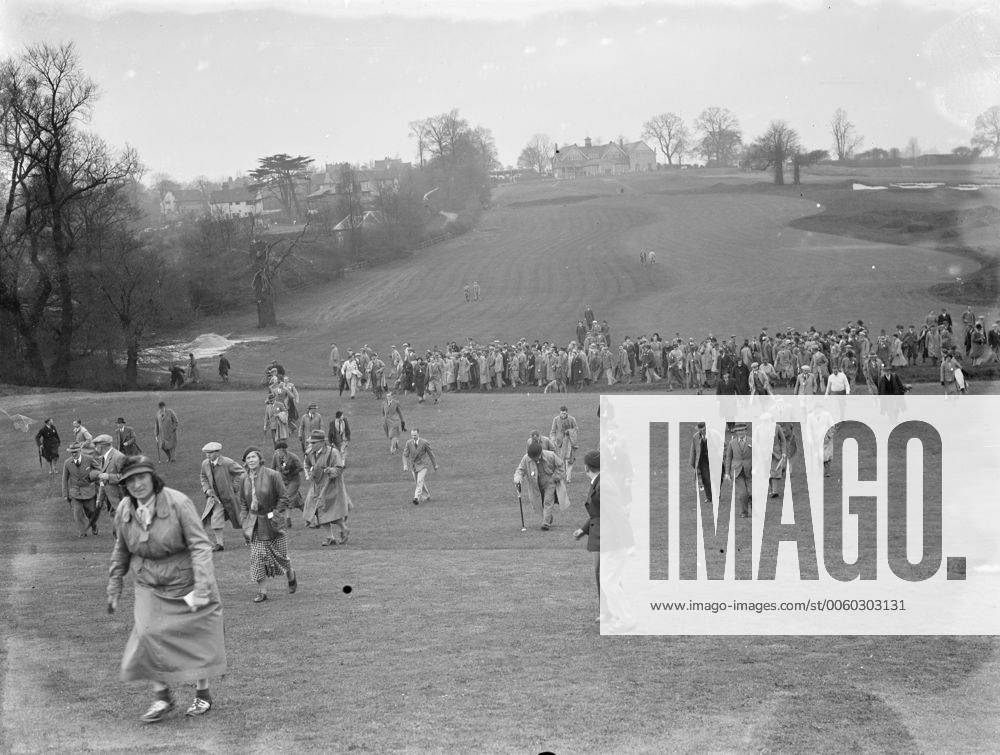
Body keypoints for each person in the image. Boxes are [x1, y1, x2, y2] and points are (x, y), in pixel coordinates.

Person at [106, 455, 226, 722]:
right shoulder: (125, 508)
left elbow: (200, 546)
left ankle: (202, 694)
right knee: (147, 634)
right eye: (130, 481)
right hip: (148, 581)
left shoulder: (178, 502)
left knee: (194, 637)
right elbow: (121, 549)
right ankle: (162, 697)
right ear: (124, 485)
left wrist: (203, 589)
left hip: (184, 580)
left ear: (152, 477)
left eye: (141, 477)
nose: (137, 484)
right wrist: (114, 585)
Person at [236, 447, 297, 603]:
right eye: (247, 458)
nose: (250, 460)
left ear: (259, 458)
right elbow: (243, 502)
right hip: (254, 524)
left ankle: (290, 574)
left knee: (281, 555)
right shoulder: (244, 478)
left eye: (253, 457)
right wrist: (244, 518)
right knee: (257, 557)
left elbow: (284, 498)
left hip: (273, 523)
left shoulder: (273, 475)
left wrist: (274, 514)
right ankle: (262, 592)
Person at [302, 430, 352, 545]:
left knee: (330, 511)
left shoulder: (333, 452)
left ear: (321, 442)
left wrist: (330, 470)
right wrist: (309, 473)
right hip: (317, 486)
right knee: (318, 510)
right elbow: (306, 464)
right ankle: (330, 537)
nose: (311, 445)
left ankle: (344, 529)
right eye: (310, 442)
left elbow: (340, 468)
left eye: (313, 443)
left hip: (331, 486)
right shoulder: (310, 453)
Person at [198, 442, 244, 552]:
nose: (208, 455)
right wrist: (207, 489)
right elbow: (203, 476)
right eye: (206, 453)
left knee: (241, 519)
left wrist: (236, 486)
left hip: (230, 497)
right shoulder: (205, 464)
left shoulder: (228, 462)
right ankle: (220, 544)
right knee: (215, 519)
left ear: (218, 453)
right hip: (216, 499)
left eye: (210, 453)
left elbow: (242, 473)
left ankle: (249, 537)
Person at [514, 440, 568, 530]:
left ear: (541, 453)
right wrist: (518, 479)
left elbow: (561, 466)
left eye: (536, 457)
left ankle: (545, 523)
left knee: (548, 501)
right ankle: (548, 518)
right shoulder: (526, 458)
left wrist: (555, 477)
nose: (535, 460)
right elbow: (520, 470)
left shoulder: (550, 455)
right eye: (533, 458)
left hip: (550, 483)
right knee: (539, 505)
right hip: (535, 486)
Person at [63, 441, 100, 537]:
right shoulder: (67, 463)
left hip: (89, 491)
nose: (73, 454)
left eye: (75, 452)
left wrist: (94, 475)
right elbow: (64, 479)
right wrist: (65, 494)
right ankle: (82, 531)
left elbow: (99, 469)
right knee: (77, 513)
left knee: (91, 511)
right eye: (72, 452)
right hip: (75, 492)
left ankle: (94, 525)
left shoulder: (89, 459)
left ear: (80, 451)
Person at [91, 434, 127, 519]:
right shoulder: (104, 458)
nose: (95, 448)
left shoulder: (118, 457)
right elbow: (103, 482)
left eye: (96, 445)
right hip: (112, 502)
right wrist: (99, 499)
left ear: (102, 446)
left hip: (121, 501)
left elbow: (126, 477)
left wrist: (109, 476)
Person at [270, 441, 304, 527]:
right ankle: (312, 514)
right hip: (283, 481)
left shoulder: (293, 457)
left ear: (284, 450)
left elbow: (300, 468)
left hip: (294, 480)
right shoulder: (276, 456)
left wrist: (291, 472)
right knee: (297, 500)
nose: (277, 452)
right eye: (276, 451)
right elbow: (272, 468)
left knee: (286, 498)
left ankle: (284, 520)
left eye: (279, 451)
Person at [402, 428, 438, 506]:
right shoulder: (408, 443)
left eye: (415, 435)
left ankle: (416, 498)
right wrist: (405, 465)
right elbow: (405, 455)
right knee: (418, 482)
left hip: (423, 465)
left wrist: (435, 464)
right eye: (412, 435)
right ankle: (427, 495)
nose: (413, 437)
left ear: (418, 434)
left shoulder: (424, 442)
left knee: (419, 481)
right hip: (413, 466)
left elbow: (431, 454)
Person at [723, 424, 753, 518]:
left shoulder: (752, 441)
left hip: (750, 470)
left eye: (742, 430)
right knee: (743, 493)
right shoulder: (732, 443)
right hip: (737, 472)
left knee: (752, 492)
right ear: (736, 432)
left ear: (745, 431)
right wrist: (727, 473)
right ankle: (744, 512)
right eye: (738, 431)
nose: (740, 432)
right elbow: (728, 458)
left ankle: (755, 510)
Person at [550, 406, 579, 483]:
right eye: (562, 413)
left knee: (569, 460)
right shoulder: (556, 419)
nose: (563, 414)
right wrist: (552, 439)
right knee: (560, 460)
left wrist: (569, 431)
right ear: (560, 412)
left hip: (570, 442)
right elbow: (553, 431)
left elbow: (576, 429)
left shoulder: (572, 419)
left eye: (565, 413)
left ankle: (568, 478)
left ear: (567, 412)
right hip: (559, 443)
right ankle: (562, 476)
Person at [689, 422, 712, 505]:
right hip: (702, 461)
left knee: (717, 478)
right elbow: (693, 450)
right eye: (701, 430)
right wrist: (693, 462)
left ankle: (717, 493)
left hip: (714, 459)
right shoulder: (695, 437)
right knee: (706, 479)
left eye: (704, 429)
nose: (703, 431)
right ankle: (709, 497)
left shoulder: (713, 435)